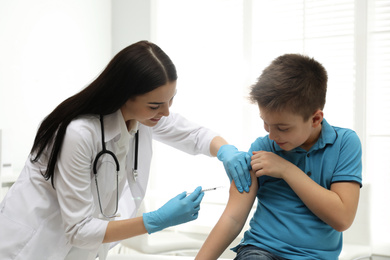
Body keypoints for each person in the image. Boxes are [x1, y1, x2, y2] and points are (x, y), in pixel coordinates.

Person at [0, 41, 251, 260]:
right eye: (155, 105)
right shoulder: (79, 133)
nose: (165, 112)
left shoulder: (142, 118)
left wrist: (226, 150)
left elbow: (194, 134)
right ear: (124, 95)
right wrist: (156, 220)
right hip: (31, 248)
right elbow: (79, 229)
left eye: (170, 100)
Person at [195, 53, 362, 260]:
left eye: (282, 127)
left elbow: (342, 218)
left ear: (315, 119)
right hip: (261, 251)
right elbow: (233, 217)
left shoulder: (345, 143)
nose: (272, 136)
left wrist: (286, 169)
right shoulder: (261, 148)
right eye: (266, 123)